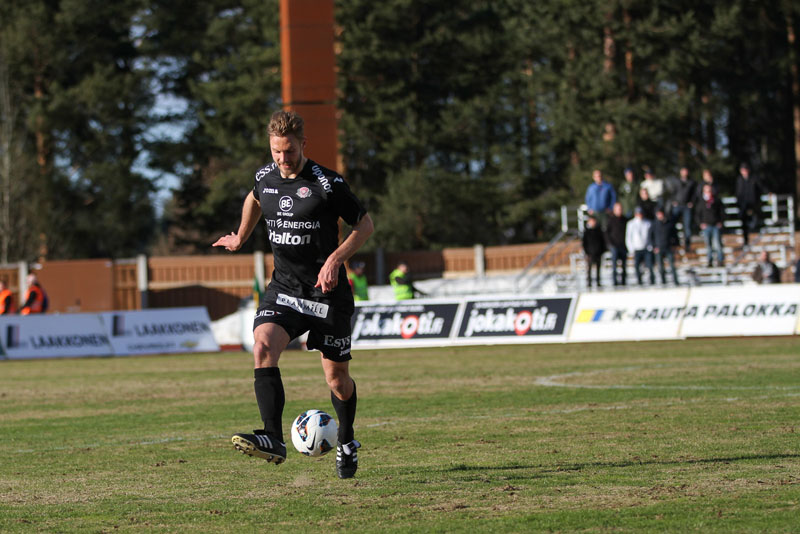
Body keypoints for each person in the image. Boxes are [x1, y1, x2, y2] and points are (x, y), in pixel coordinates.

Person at [212, 110, 374, 478]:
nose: (283, 160)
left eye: (289, 151)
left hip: (326, 294)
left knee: (337, 380)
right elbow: (254, 199)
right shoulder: (265, 177)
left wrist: (334, 259)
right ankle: (272, 437)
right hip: (284, 289)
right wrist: (241, 235)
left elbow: (365, 225)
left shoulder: (327, 184)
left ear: (303, 144)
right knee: (263, 345)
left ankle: (346, 440)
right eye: (276, 152)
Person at [735, 163, 766, 247]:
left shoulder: (754, 178)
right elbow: (738, 193)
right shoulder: (740, 180)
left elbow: (761, 187)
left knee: (754, 219)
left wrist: (768, 193)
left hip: (753, 204)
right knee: (743, 222)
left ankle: (755, 232)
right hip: (743, 205)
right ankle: (746, 240)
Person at [695, 183, 725, 267]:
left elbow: (722, 212)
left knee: (718, 244)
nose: (708, 192)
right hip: (706, 226)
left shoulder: (716, 200)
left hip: (715, 225)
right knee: (708, 245)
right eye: (707, 191)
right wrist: (700, 223)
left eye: (710, 190)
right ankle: (710, 261)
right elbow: (697, 214)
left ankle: (720, 260)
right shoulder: (701, 202)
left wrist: (721, 222)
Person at [649, 208, 680, 285]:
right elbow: (650, 237)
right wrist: (654, 246)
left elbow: (675, 235)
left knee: (672, 265)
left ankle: (675, 281)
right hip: (659, 248)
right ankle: (663, 281)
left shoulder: (669, 223)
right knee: (661, 267)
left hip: (668, 247)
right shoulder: (654, 224)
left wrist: (675, 245)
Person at [625, 206, 654, 285]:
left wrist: (650, 246)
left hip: (646, 248)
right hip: (636, 249)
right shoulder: (631, 224)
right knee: (637, 266)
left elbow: (650, 236)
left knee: (649, 265)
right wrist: (631, 248)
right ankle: (639, 281)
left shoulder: (647, 223)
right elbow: (628, 237)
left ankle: (652, 280)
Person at [671, 166, 697, 252]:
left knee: (687, 226)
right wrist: (674, 201)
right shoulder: (676, 182)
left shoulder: (691, 182)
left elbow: (694, 194)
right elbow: (672, 192)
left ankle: (687, 244)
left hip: (686, 206)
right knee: (672, 224)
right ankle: (676, 242)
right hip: (678, 205)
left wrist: (692, 202)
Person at [605, 202, 628, 286]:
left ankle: (624, 282)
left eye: (620, 209)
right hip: (614, 245)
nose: (619, 210)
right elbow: (607, 233)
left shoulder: (625, 220)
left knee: (624, 265)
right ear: (614, 210)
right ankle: (615, 282)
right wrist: (610, 244)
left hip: (623, 245)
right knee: (614, 265)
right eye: (617, 209)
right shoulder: (610, 220)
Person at [581, 215, 606, 288]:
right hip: (590, 253)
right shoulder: (587, 231)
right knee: (589, 268)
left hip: (598, 252)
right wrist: (587, 252)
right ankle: (589, 282)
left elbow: (603, 241)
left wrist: (602, 250)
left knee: (598, 268)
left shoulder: (599, 230)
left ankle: (598, 281)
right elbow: (584, 243)